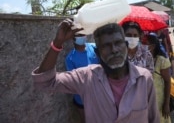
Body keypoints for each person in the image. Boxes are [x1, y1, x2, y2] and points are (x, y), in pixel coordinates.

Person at [31, 19, 160, 123]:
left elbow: (153, 119)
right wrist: (57, 42)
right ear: (98, 53)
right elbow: (45, 81)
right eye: (106, 46)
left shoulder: (144, 78)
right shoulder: (86, 77)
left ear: (126, 47)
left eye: (118, 43)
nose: (114, 50)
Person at [65, 33, 99, 122]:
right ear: (73, 38)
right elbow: (72, 80)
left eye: (83, 34)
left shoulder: (94, 48)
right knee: (85, 120)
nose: (82, 37)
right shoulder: (70, 58)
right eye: (79, 35)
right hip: (81, 98)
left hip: (99, 93)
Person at [143, 34, 171, 123]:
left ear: (153, 46)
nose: (143, 46)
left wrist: (166, 104)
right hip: (144, 101)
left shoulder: (161, 61)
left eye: (145, 44)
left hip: (158, 101)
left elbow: (167, 82)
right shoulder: (140, 60)